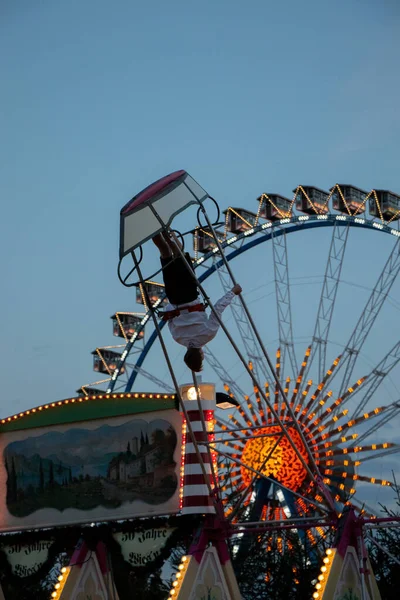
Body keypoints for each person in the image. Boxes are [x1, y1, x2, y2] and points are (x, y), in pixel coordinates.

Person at [152, 232, 242, 372]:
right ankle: (154, 230)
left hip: (189, 293)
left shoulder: (208, 334)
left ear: (201, 355)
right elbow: (169, 316)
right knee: (165, 254)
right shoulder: (178, 338)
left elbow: (217, 308)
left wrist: (233, 292)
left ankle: (165, 230)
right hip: (174, 297)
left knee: (179, 252)